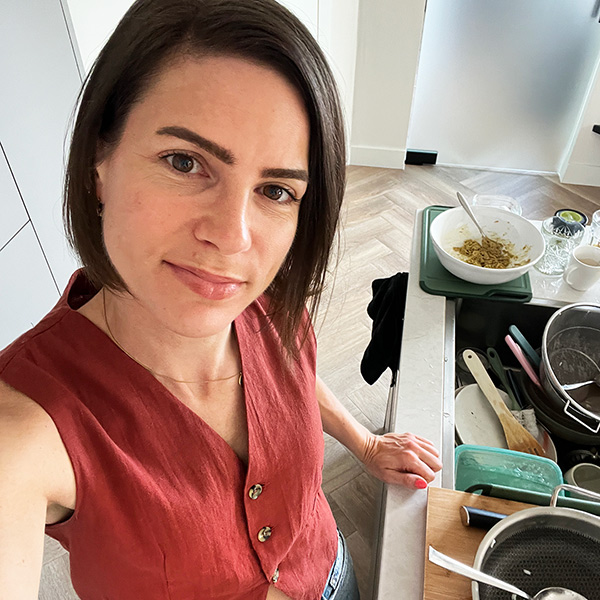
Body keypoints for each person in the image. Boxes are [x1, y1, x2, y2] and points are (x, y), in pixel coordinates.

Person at [0, 1, 442, 598]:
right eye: (185, 163)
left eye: (275, 190)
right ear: (99, 163)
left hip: (333, 576)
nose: (233, 238)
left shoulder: (266, 297)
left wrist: (364, 444)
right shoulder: (23, 429)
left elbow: (291, 375)